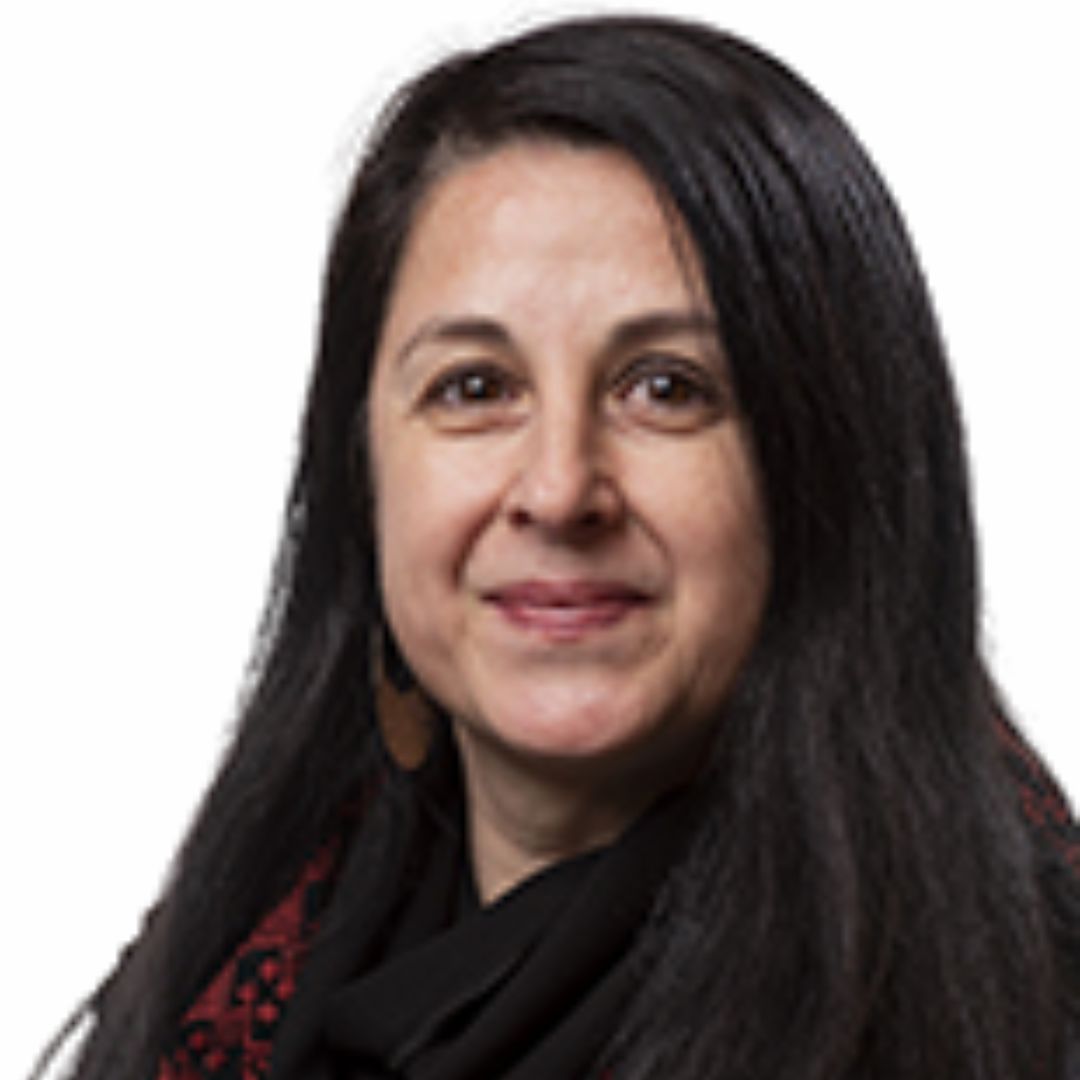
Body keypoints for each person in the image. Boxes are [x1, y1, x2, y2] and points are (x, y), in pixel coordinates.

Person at [37, 14, 1080, 1080]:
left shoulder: (1026, 1009)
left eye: (666, 389)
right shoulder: (220, 978)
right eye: (474, 388)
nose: (558, 489)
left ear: (829, 465)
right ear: (364, 470)